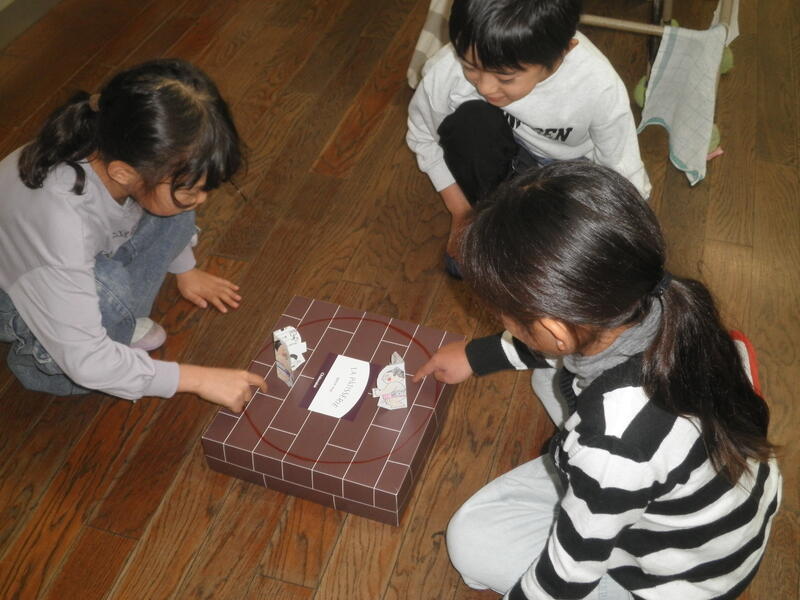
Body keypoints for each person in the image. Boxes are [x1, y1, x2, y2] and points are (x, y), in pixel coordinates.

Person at [414, 161, 781, 599]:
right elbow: (561, 343)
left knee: (470, 539)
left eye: (506, 319)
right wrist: (477, 356)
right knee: (550, 378)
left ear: (555, 330)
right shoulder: (665, 300)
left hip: (681, 579)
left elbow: (567, 575)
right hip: (712, 513)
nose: (502, 323)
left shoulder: (613, 443)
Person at [0, 59, 265, 412]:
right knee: (109, 298)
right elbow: (86, 363)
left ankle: (110, 329)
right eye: (193, 189)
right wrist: (199, 379)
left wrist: (185, 270)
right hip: (15, 291)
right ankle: (38, 362)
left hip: (63, 257)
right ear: (124, 173)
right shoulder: (60, 223)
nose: (202, 199)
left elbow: (172, 204)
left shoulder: (115, 146)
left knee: (171, 206)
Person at [407, 0, 651, 278]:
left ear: (564, 51)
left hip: (570, 172)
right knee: (469, 122)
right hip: (509, 158)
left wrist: (632, 248)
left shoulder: (598, 85)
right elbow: (422, 136)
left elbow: (624, 175)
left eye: (505, 77)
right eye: (470, 66)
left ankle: (513, 232)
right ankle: (491, 217)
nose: (484, 86)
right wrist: (461, 214)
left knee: (586, 262)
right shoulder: (449, 67)